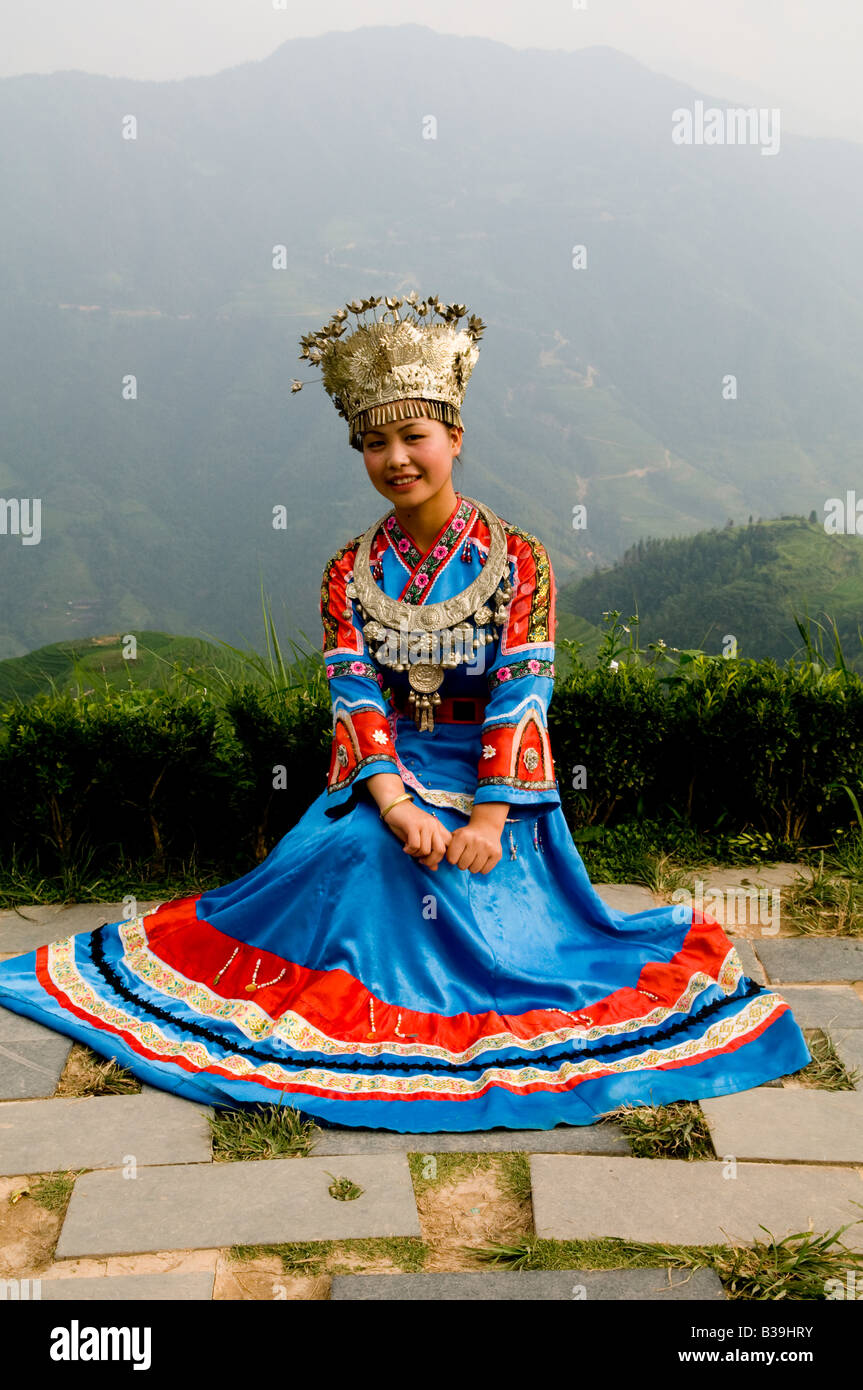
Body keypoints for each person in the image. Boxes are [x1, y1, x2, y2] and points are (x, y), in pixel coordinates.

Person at [0, 292, 811, 1132]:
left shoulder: (521, 560)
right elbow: (353, 695)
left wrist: (492, 816)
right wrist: (391, 801)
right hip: (385, 776)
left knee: (457, 876)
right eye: (375, 442)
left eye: (414, 436)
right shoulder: (346, 571)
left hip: (495, 782)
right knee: (362, 851)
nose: (397, 458)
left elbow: (522, 691)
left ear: (454, 437)